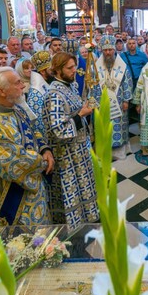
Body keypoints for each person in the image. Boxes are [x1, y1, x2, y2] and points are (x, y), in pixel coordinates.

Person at [0, 67, 52, 226]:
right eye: (17, 83)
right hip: (16, 204)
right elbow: (15, 164)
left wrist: (45, 149)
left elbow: (32, 129)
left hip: (33, 191)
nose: (23, 85)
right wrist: (43, 162)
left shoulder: (15, 108)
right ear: (2, 91)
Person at [41, 53, 99, 226]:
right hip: (67, 156)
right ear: (57, 70)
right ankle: (73, 230)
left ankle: (87, 220)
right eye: (70, 68)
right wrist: (81, 113)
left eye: (75, 66)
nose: (75, 70)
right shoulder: (54, 95)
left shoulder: (70, 86)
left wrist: (84, 108)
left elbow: (75, 110)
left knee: (84, 187)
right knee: (71, 194)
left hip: (80, 150)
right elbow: (59, 129)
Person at [95, 36, 133, 160]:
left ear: (114, 50)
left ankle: (119, 152)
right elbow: (93, 85)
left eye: (110, 50)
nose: (108, 53)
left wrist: (127, 100)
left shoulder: (122, 66)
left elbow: (127, 83)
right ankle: (104, 151)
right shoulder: (95, 66)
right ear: (102, 51)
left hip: (119, 101)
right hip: (102, 103)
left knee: (118, 126)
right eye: (105, 50)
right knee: (104, 126)